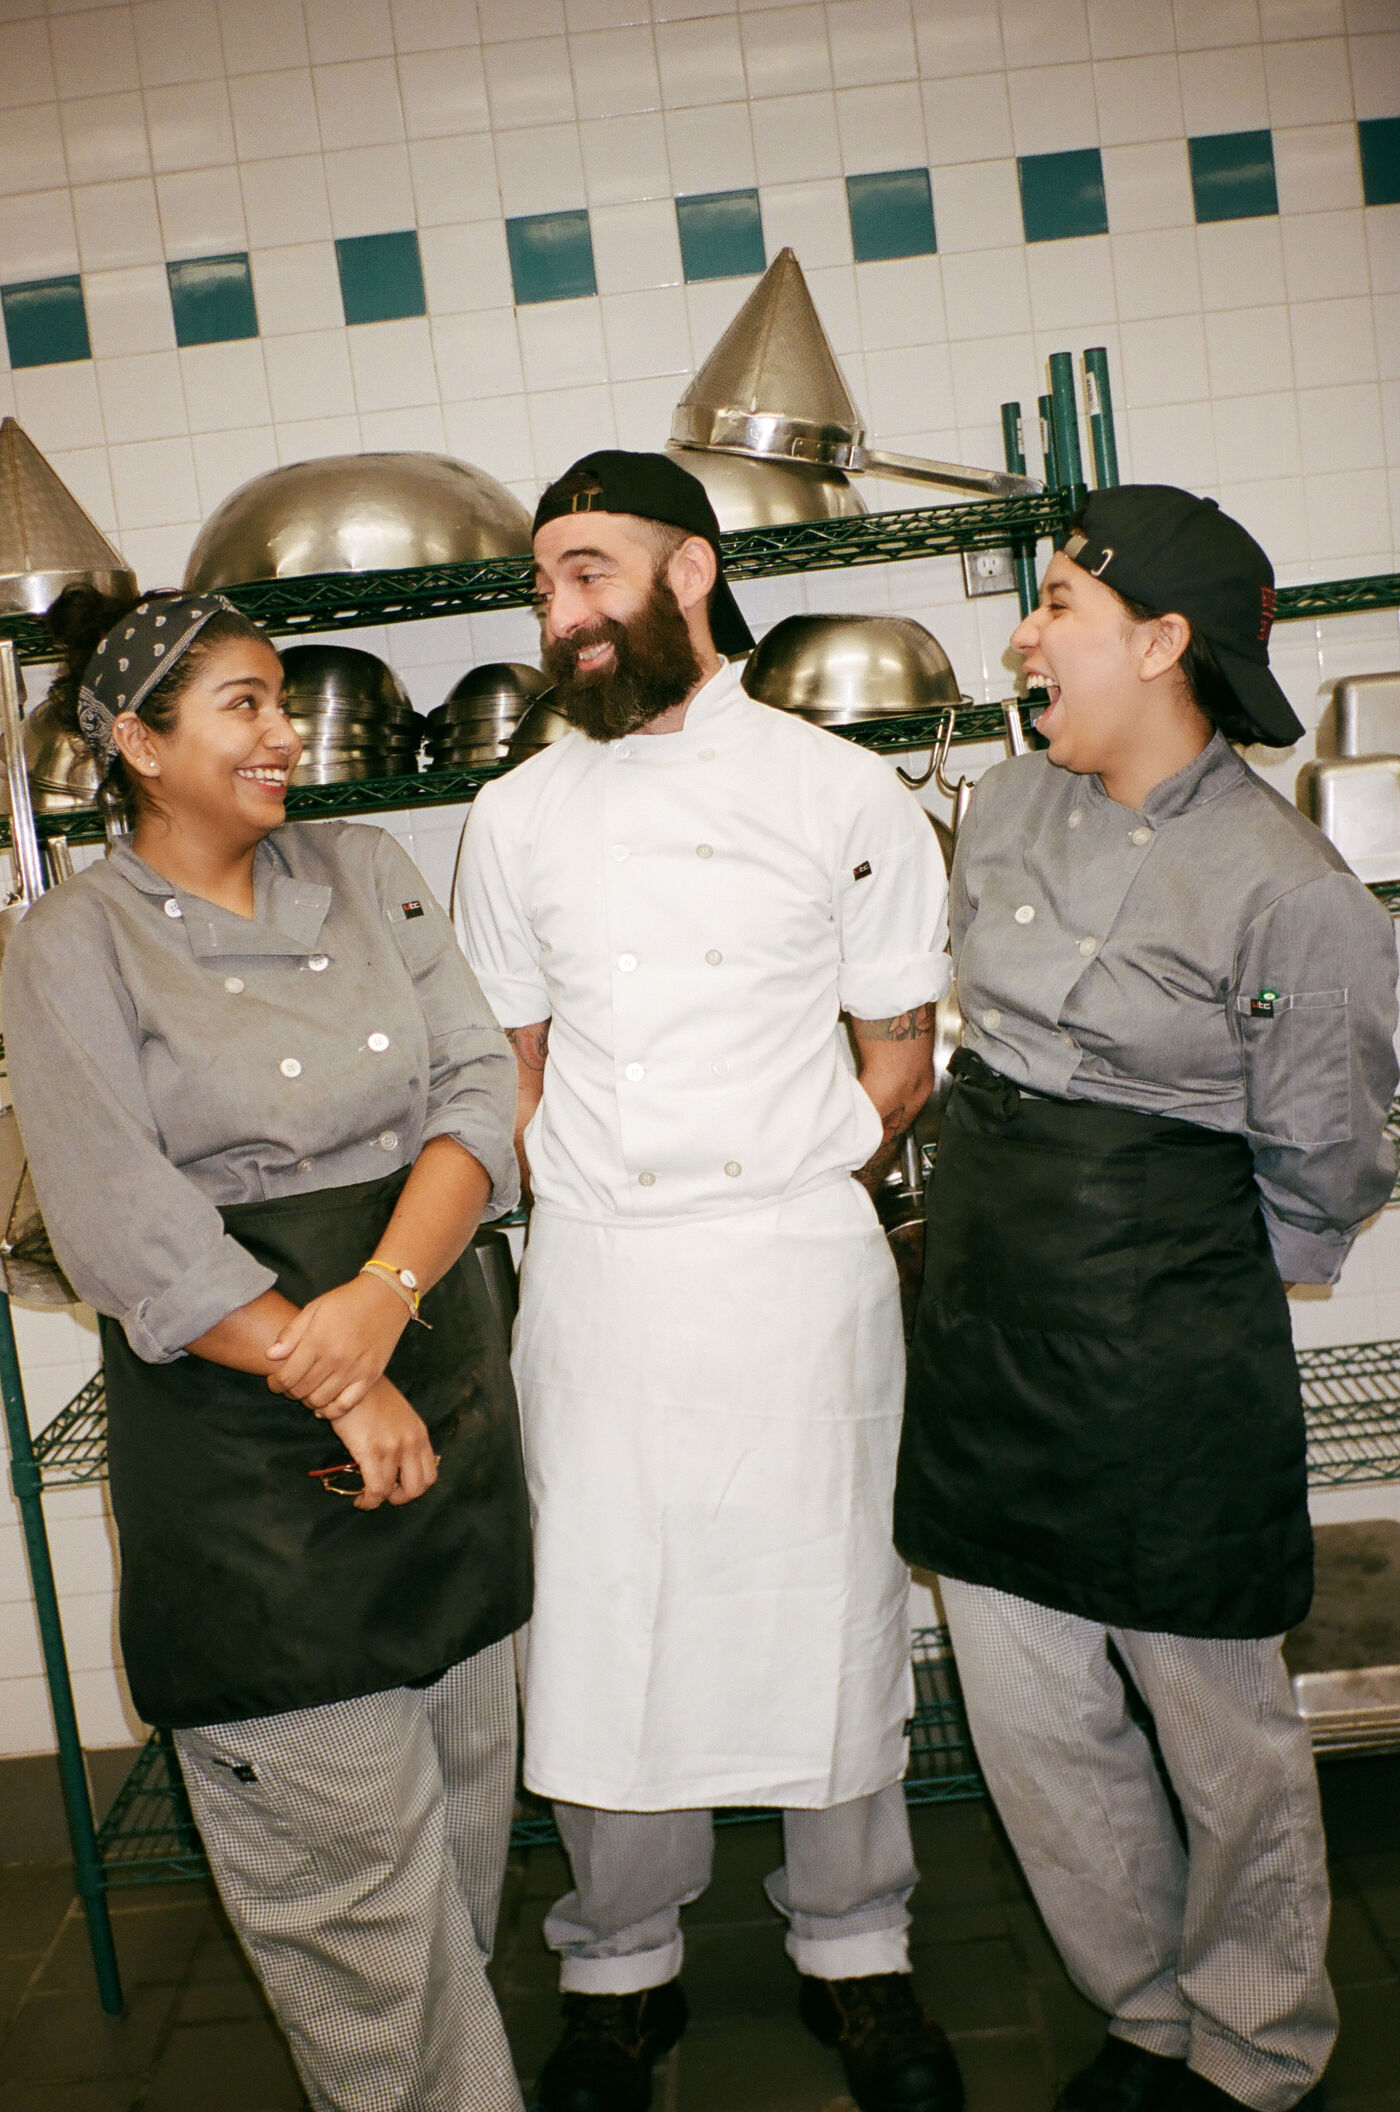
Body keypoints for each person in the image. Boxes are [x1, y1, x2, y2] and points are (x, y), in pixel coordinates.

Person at [456, 450, 962, 2112]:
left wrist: (800, 1172)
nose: (562, 615)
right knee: (612, 1624)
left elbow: (903, 1052)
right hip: (603, 1278)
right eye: (544, 586)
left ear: (689, 573)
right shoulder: (513, 814)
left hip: (795, 1274)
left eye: (588, 574)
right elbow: (512, 1073)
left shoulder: (839, 793)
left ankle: (856, 1948)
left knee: (829, 1609)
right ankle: (616, 1967)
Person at [894, 486, 1400, 2112]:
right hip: (991, 1330)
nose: (1024, 633)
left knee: (1220, 1736)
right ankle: (1143, 2013)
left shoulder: (1290, 884)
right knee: (1039, 1726)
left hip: (1169, 1347)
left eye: (1055, 602)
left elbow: (1326, 1149)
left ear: (1163, 641)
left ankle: (1259, 2047)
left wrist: (1182, 1285)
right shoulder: (1005, 808)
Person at [3, 587, 533, 2112]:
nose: (283, 730)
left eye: (280, 699)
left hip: (432, 1380)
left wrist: (377, 1308)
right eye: (240, 703)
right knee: (354, 1905)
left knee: (461, 1845)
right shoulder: (72, 940)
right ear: (134, 743)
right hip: (242, 1454)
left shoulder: (367, 870)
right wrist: (331, 1365)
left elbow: (475, 1097)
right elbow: (119, 1221)